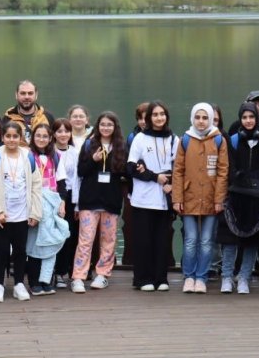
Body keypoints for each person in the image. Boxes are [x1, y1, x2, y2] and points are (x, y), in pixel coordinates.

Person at [218, 102, 259, 295]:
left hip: (256, 196)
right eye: (244, 117)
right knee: (229, 240)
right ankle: (227, 277)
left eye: (251, 117)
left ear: (257, 118)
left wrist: (256, 183)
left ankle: (245, 277)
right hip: (236, 196)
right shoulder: (233, 140)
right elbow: (230, 166)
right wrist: (239, 179)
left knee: (252, 240)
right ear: (240, 119)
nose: (248, 121)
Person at [0, 121, 42, 303]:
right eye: (7, 136)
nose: (11, 140)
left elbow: (36, 186)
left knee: (20, 251)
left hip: (22, 214)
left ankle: (18, 284)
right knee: (0, 251)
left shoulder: (28, 158)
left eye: (15, 136)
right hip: (3, 215)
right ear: (2, 138)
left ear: (20, 138)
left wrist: (34, 213)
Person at [172, 102, 228, 294]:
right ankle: (189, 276)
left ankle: (201, 277)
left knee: (206, 241)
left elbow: (223, 172)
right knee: (190, 239)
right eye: (198, 117)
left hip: (212, 198)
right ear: (192, 119)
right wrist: (177, 198)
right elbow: (177, 170)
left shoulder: (219, 139)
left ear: (211, 119)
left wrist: (219, 199)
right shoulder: (186, 139)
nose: (201, 121)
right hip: (189, 197)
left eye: (205, 118)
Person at [72, 111, 125, 292]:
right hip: (90, 199)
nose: (106, 128)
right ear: (97, 126)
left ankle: (102, 274)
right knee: (85, 240)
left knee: (109, 240)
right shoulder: (89, 145)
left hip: (111, 200)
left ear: (115, 127)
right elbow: (80, 171)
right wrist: (93, 160)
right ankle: (79, 276)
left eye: (109, 125)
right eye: (102, 124)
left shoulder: (120, 147)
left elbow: (124, 172)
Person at [127, 101, 177, 292]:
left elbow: (178, 167)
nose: (159, 118)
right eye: (155, 115)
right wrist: (155, 176)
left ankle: (160, 277)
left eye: (162, 114)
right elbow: (131, 167)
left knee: (161, 240)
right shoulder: (140, 138)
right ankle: (142, 278)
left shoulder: (173, 139)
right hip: (143, 198)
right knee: (143, 240)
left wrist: (170, 183)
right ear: (149, 118)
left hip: (164, 198)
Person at [25, 122, 60, 294]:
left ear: (50, 138)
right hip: (35, 202)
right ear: (32, 137)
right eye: (38, 135)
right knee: (34, 243)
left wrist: (61, 203)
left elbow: (60, 182)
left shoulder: (55, 156)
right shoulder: (28, 155)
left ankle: (46, 280)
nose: (41, 139)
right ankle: (33, 282)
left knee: (50, 241)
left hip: (52, 203)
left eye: (45, 136)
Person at [50, 117, 80, 290]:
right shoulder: (49, 152)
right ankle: (49, 271)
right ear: (53, 134)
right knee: (50, 234)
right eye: (59, 131)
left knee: (67, 235)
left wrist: (76, 204)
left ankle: (62, 272)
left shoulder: (74, 153)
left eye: (66, 131)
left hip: (69, 197)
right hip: (51, 196)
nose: (63, 134)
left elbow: (77, 180)